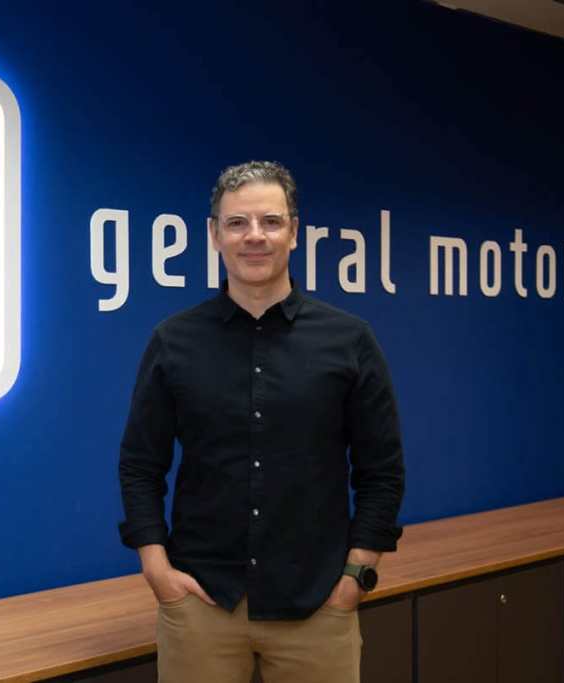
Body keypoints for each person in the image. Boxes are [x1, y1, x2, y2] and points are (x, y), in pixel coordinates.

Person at [117, 161, 405, 683]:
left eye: (271, 222)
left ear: (294, 232)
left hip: (318, 607)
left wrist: (356, 578)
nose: (255, 237)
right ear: (214, 235)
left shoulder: (349, 340)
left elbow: (381, 470)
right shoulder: (172, 342)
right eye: (237, 223)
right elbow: (140, 465)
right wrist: (157, 569)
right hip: (202, 607)